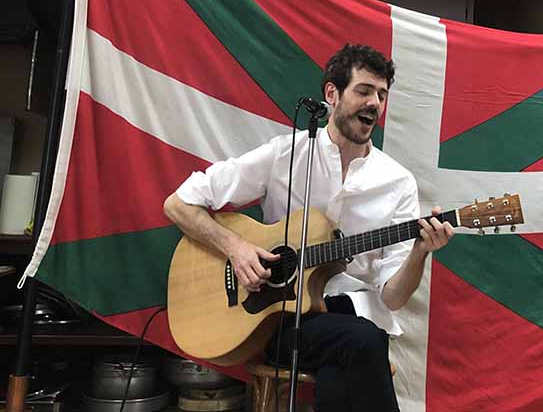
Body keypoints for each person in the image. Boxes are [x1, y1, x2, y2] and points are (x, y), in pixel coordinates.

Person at [163, 44, 453, 412]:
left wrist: (420, 252)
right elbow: (178, 203)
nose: (375, 104)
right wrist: (236, 249)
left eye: (382, 95)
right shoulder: (284, 155)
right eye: (364, 91)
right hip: (275, 319)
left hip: (353, 316)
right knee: (363, 344)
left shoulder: (397, 183)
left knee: (349, 359)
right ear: (331, 94)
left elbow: (393, 298)